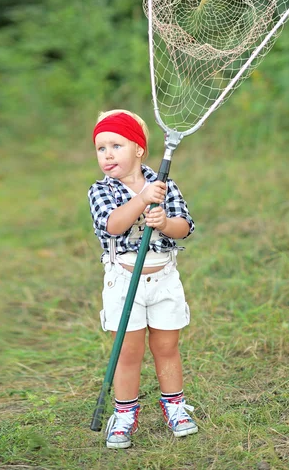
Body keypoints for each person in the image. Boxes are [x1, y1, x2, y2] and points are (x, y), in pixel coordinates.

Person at [88, 109, 198, 449]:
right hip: (123, 281)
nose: (106, 154)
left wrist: (164, 222)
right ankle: (123, 414)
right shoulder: (100, 190)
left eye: (115, 145)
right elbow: (114, 225)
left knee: (167, 346)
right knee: (128, 352)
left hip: (163, 277)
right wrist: (142, 199)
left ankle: (175, 406)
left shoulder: (166, 186)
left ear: (138, 149)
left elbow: (185, 228)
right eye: (100, 148)